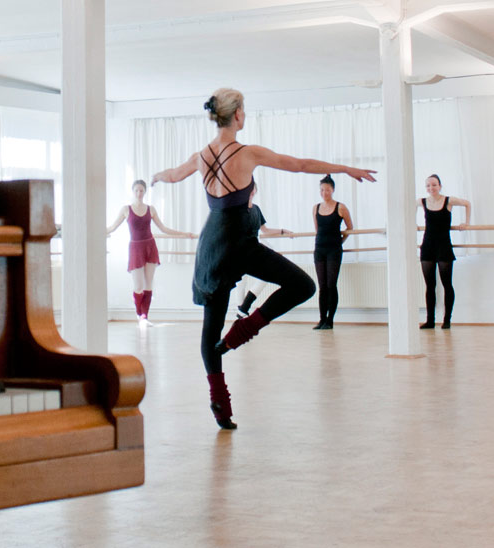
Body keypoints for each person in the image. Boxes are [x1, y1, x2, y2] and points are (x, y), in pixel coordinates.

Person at [151, 88, 375, 430]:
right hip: (240, 242)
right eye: (245, 110)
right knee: (302, 285)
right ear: (238, 114)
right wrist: (345, 169)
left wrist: (155, 177)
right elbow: (300, 165)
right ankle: (241, 332)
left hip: (213, 243)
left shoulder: (201, 156)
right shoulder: (247, 153)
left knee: (210, 327)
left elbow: (172, 174)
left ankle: (220, 404)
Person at [106, 179, 195, 324]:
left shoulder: (151, 209)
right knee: (138, 285)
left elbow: (164, 229)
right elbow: (112, 227)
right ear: (132, 191)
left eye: (141, 190)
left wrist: (185, 234)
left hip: (150, 246)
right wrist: (95, 230)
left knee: (148, 283)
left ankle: (144, 316)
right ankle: (138, 312)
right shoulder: (126, 209)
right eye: (137, 190)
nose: (139, 193)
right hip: (135, 248)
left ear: (145, 192)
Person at [418, 174, 471, 329]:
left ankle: (447, 320)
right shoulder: (422, 202)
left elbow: (467, 203)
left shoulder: (448, 201)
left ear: (440, 186)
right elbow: (407, 206)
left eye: (434, 185)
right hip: (427, 246)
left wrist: (466, 223)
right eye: (428, 185)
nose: (431, 188)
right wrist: (412, 222)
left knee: (447, 283)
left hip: (443, 246)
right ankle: (430, 320)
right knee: (430, 285)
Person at [234, 182, 292, 319]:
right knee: (240, 281)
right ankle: (240, 311)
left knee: (267, 275)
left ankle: (244, 307)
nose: (251, 192)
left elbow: (265, 230)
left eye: (253, 190)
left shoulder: (256, 209)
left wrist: (283, 231)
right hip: (239, 250)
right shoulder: (237, 209)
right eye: (249, 190)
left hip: (254, 248)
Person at [312, 174, 353, 330]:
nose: (324, 193)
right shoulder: (315, 208)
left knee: (331, 284)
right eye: (322, 190)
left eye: (327, 190)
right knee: (322, 285)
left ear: (333, 190)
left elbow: (350, 228)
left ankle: (330, 320)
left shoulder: (340, 207)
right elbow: (317, 229)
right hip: (319, 249)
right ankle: (322, 319)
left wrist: (340, 242)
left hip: (334, 250)